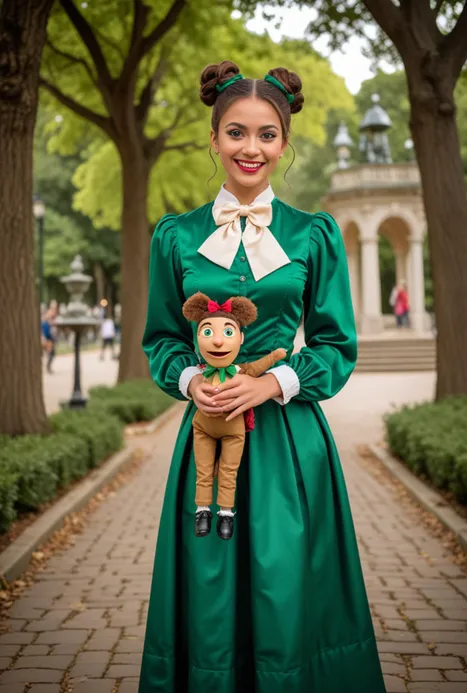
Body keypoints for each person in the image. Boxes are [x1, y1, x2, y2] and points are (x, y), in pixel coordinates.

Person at [139, 62, 386, 693]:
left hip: (290, 446)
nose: (252, 148)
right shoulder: (175, 236)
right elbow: (163, 339)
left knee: (286, 586)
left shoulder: (314, 235)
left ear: (284, 142)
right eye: (237, 133)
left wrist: (273, 383)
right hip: (206, 442)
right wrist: (192, 379)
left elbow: (335, 345)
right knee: (211, 583)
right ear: (215, 138)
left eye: (268, 135)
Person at [41, 308, 56, 374]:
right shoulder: (45, 323)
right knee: (50, 354)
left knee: (51, 354)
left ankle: (48, 367)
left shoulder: (49, 322)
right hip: (48, 340)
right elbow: (45, 333)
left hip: (50, 340)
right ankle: (48, 367)